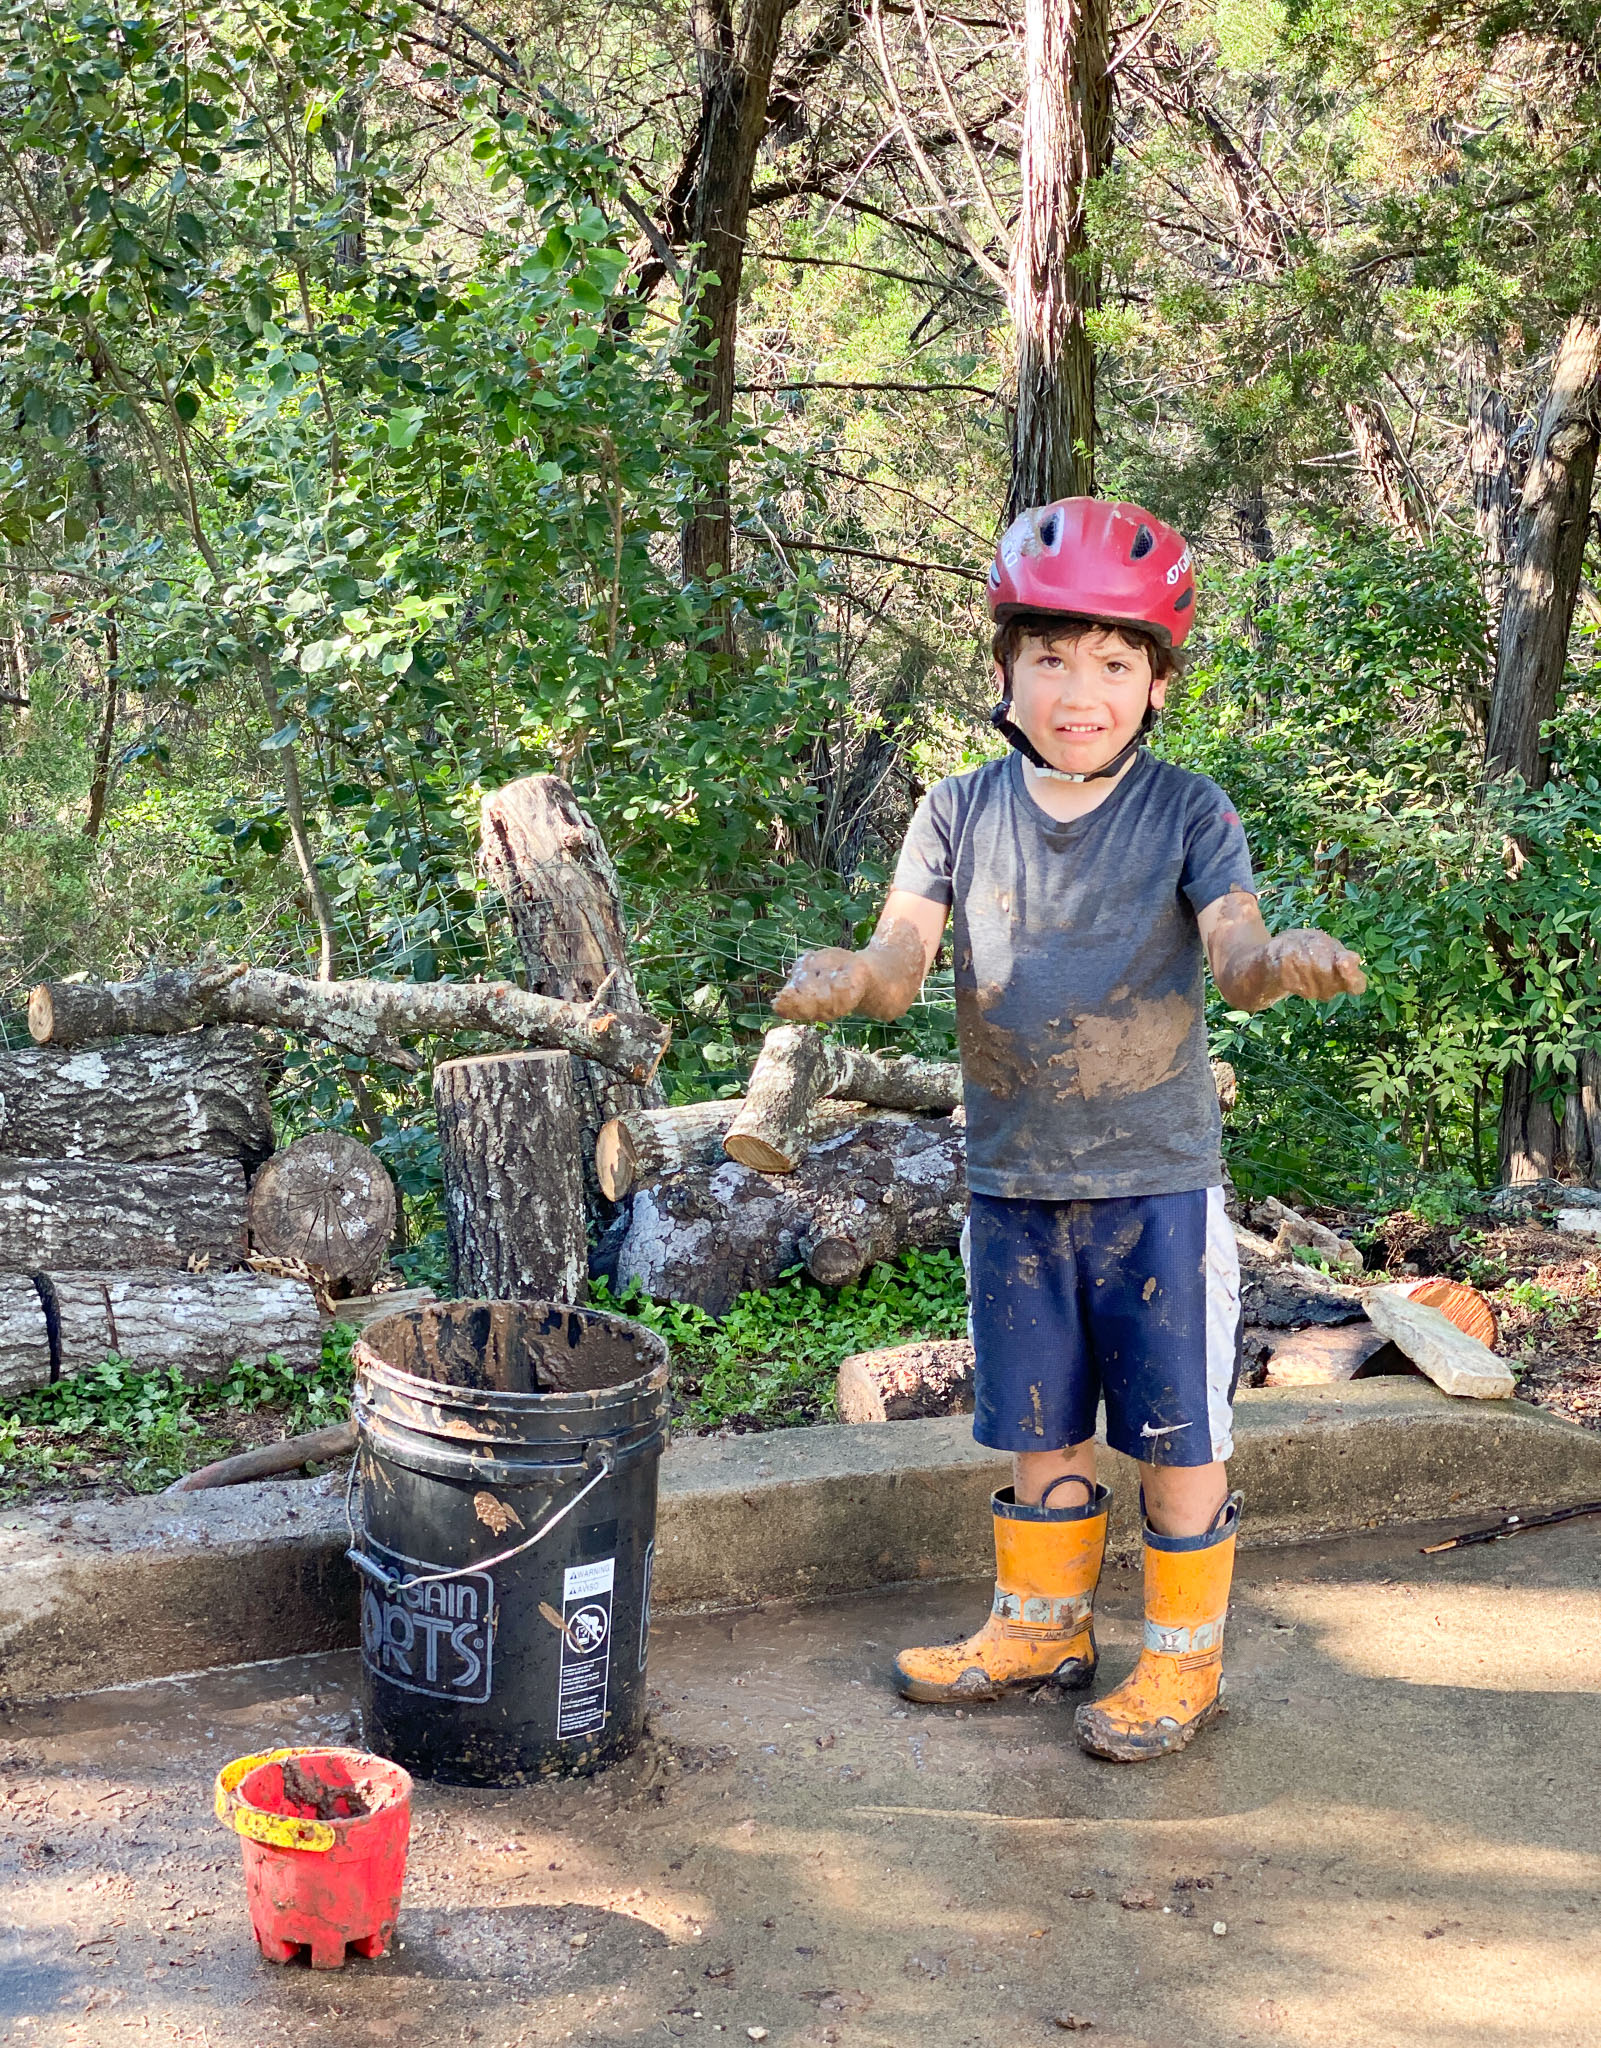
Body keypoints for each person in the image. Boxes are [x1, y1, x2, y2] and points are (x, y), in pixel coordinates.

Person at [772, 498, 1365, 1762]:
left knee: (1177, 1432)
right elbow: (899, 958)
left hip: (1157, 1185)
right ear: (1004, 668)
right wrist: (848, 977)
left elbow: (1236, 951)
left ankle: (1181, 1661)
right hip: (1013, 1179)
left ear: (1156, 682)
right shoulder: (955, 809)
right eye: (1049, 657)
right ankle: (1040, 1628)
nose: (1078, 689)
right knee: (1037, 1418)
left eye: (1111, 661)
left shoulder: (1189, 810)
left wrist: (1281, 961)